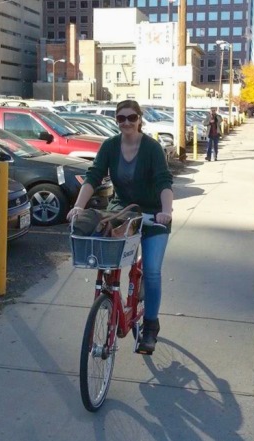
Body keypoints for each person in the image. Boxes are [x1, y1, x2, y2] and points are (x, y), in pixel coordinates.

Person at [67, 99, 173, 355]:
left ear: (140, 119)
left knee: (152, 271)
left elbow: (163, 182)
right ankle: (109, 298)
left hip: (152, 216)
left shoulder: (152, 148)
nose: (126, 123)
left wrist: (165, 212)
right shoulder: (110, 146)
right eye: (121, 118)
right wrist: (78, 206)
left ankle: (150, 327)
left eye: (131, 117)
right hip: (122, 212)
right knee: (106, 258)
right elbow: (94, 176)